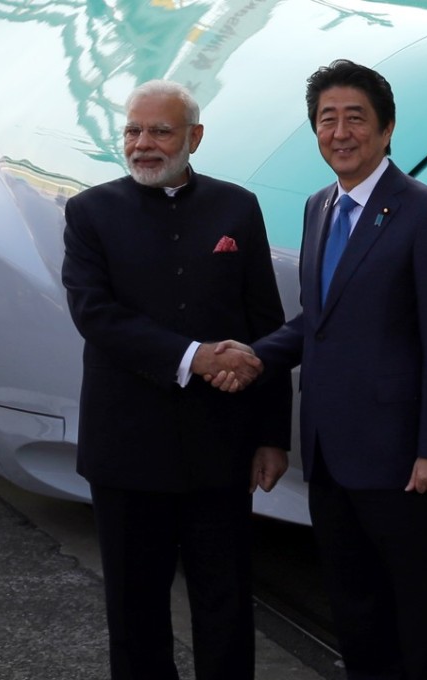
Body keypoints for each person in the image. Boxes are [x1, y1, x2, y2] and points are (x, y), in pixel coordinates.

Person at [221, 59, 427, 679]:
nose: (340, 132)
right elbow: (317, 320)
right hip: (330, 449)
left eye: (355, 118)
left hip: (400, 457)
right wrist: (251, 356)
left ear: (386, 129)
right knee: (353, 602)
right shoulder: (318, 207)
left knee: (414, 604)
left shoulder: (425, 213)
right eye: (326, 119)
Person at [61, 79, 291, 680]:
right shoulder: (89, 213)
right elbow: (95, 316)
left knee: (227, 603)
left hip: (222, 448)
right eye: (133, 131)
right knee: (135, 612)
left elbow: (265, 324)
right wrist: (195, 357)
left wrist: (272, 436)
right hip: (126, 451)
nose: (143, 145)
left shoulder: (237, 207)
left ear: (195, 137)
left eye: (160, 131)